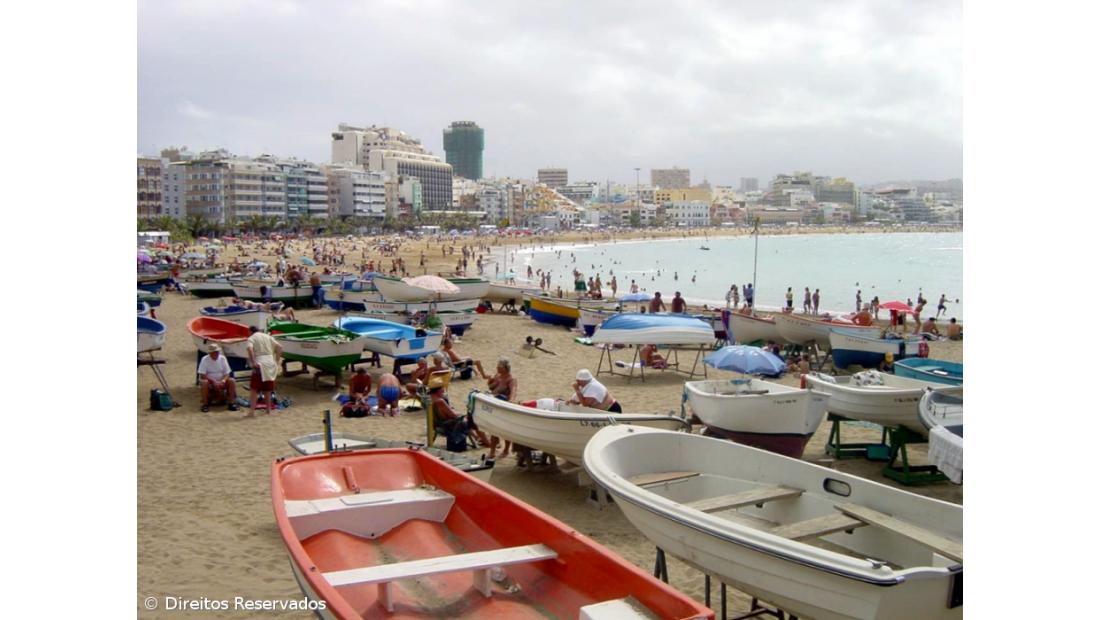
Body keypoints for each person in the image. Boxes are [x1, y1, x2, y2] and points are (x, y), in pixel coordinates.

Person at [246, 326, 282, 417]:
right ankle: (268, 410)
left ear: (250, 332)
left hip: (260, 363)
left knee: (254, 389)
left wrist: (253, 362)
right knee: (268, 390)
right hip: (270, 363)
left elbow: (250, 349)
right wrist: (276, 361)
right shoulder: (268, 336)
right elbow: (280, 347)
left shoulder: (251, 338)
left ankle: (252, 412)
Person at [486, 359, 517, 459]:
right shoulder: (497, 376)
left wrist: (511, 400)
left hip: (503, 405)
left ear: (505, 368)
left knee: (505, 429)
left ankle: (506, 449)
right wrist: (490, 382)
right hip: (494, 404)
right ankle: (492, 451)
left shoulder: (511, 379)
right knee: (493, 429)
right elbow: (491, 387)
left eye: (499, 367)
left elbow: (513, 391)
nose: (497, 368)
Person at [198, 345, 239, 412]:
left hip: (221, 380)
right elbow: (202, 374)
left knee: (232, 381)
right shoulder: (205, 359)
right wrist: (213, 381)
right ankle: (205, 404)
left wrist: (223, 381)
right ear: (210, 353)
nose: (216, 354)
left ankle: (232, 403)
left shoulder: (222, 358)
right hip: (210, 381)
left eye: (217, 352)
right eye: (214, 352)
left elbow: (227, 373)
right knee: (204, 382)